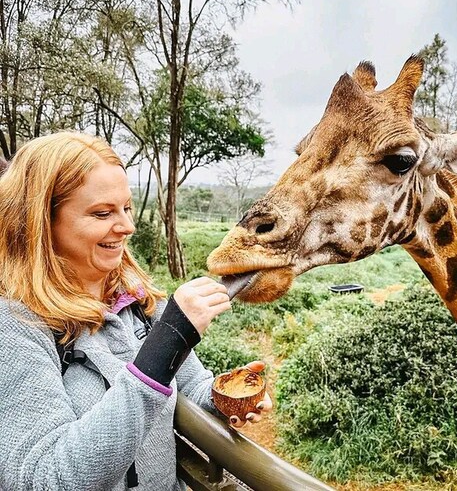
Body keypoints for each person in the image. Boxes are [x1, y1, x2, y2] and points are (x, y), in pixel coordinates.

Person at [0, 132, 272, 490]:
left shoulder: (140, 301)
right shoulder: (16, 326)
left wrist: (224, 396)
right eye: (102, 213)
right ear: (40, 220)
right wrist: (168, 340)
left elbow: (190, 385)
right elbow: (45, 478)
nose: (127, 226)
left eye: (126, 207)